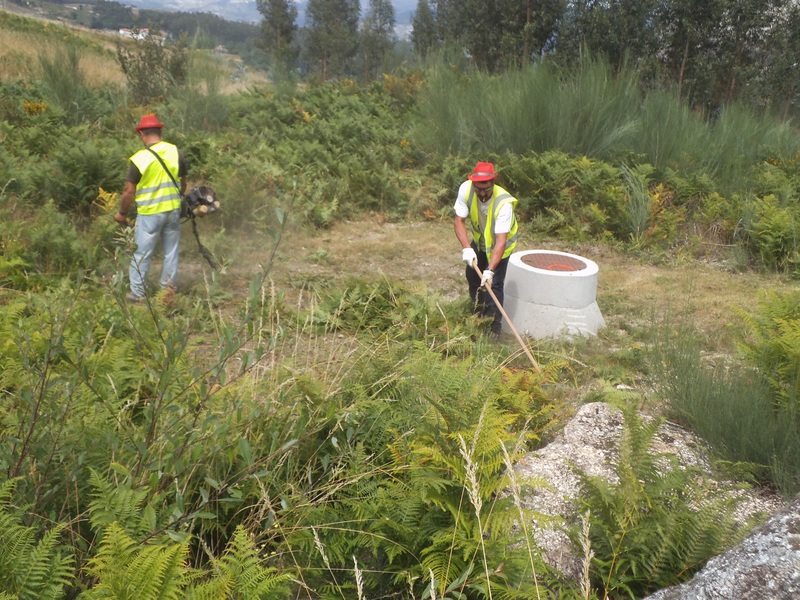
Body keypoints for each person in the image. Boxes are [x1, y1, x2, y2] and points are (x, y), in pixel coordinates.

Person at [115, 114, 187, 302]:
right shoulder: (175, 152)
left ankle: (138, 294)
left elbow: (128, 192)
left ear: (142, 134)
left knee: (142, 253)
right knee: (171, 251)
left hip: (150, 214)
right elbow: (183, 183)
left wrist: (122, 213)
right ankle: (167, 290)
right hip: (173, 211)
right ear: (160, 132)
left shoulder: (139, 159)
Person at [453, 161, 519, 336]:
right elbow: (459, 220)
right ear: (473, 184)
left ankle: (493, 327)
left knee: (494, 285)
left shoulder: (503, 203)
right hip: (480, 241)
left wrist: (489, 270)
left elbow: (500, 240)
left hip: (500, 248)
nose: (482, 194)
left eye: (486, 189)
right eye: (478, 189)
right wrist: (467, 248)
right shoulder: (466, 190)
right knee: (473, 276)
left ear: (493, 184)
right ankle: (478, 313)